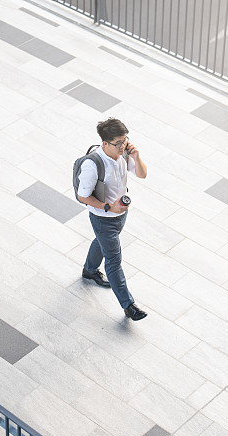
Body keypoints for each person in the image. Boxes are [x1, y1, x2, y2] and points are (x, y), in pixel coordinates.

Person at [77, 117, 148, 321]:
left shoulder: (124, 154)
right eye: (118, 143)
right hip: (103, 217)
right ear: (105, 143)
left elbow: (142, 174)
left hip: (121, 215)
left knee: (101, 241)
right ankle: (129, 306)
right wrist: (109, 207)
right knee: (114, 260)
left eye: (125, 140)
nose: (123, 145)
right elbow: (83, 196)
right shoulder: (93, 164)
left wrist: (136, 155)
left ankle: (89, 270)